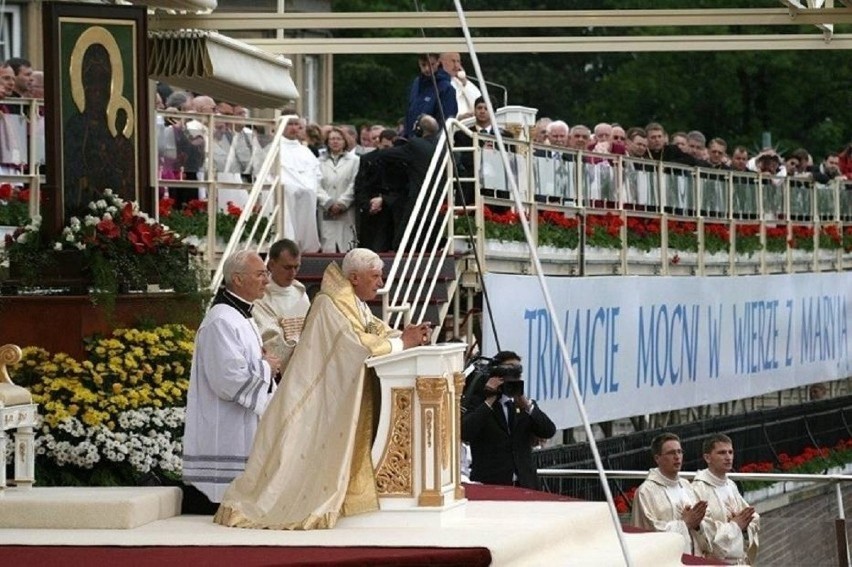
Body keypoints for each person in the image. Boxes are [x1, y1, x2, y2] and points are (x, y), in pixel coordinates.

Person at [214, 248, 431, 530]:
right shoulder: (331, 303)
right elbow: (357, 345)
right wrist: (404, 343)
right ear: (354, 277)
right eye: (375, 276)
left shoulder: (353, 301)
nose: (381, 283)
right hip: (312, 399)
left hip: (332, 393)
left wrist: (403, 336)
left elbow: (374, 330)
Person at [182, 250, 282, 512]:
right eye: (260, 274)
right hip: (225, 425)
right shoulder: (222, 320)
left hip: (242, 422)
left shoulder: (241, 315)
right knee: (223, 499)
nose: (266, 280)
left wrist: (265, 365)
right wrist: (266, 368)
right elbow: (227, 379)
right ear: (237, 279)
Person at [461, 351, 556, 489]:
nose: (512, 378)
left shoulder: (524, 406)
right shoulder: (480, 404)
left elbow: (548, 431)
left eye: (517, 373)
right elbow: (465, 432)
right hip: (491, 485)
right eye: (508, 371)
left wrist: (527, 406)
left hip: (524, 484)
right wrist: (490, 399)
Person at [631, 432, 712, 557]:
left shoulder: (686, 485)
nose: (677, 456)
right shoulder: (645, 491)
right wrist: (684, 524)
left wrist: (698, 524)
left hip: (693, 556)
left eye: (679, 452)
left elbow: (704, 522)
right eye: (671, 453)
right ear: (657, 458)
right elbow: (648, 532)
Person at [692, 434, 760, 565]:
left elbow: (753, 517)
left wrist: (744, 524)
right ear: (707, 458)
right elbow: (704, 530)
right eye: (722, 453)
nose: (728, 457)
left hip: (739, 560)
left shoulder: (730, 485)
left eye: (730, 452)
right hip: (716, 562)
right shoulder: (698, 488)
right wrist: (735, 525)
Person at [252, 239, 310, 372]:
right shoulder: (261, 297)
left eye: (297, 267)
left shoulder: (301, 294)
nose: (293, 273)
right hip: (282, 372)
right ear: (271, 265)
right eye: (287, 267)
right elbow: (270, 341)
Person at [279, 113, 322, 253]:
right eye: (289, 124)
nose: (293, 128)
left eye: (296, 124)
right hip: (284, 194)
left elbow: (316, 173)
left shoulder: (305, 151)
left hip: (306, 196)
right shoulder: (274, 148)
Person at [317, 126, 360, 252]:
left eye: (339, 139)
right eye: (332, 139)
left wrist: (342, 203)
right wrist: (328, 203)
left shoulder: (355, 161)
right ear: (327, 142)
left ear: (345, 141)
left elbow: (354, 183)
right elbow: (316, 185)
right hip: (326, 208)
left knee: (347, 244)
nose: (335, 142)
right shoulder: (318, 161)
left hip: (346, 209)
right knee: (328, 245)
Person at [403, 53, 457, 139]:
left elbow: (447, 120)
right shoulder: (416, 83)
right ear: (419, 63)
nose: (427, 69)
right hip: (412, 140)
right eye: (423, 65)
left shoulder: (446, 88)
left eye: (431, 64)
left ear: (438, 62)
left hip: (431, 142)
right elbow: (409, 112)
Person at [439, 52, 481, 119]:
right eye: (453, 61)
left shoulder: (461, 81)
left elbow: (479, 103)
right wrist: (458, 118)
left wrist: (465, 82)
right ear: (441, 62)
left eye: (458, 61)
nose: (456, 65)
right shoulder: (437, 83)